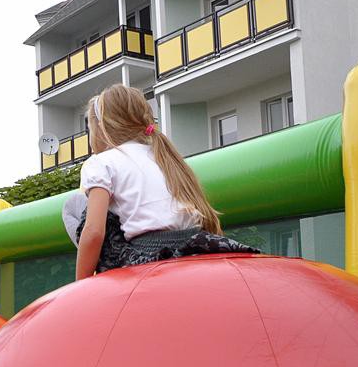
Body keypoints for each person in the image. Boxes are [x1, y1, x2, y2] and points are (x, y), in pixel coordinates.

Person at [75, 84, 257, 280]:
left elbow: (93, 231)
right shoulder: (165, 156)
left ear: (101, 128)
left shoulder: (101, 162)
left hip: (147, 254)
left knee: (74, 207)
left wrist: (81, 285)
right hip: (195, 244)